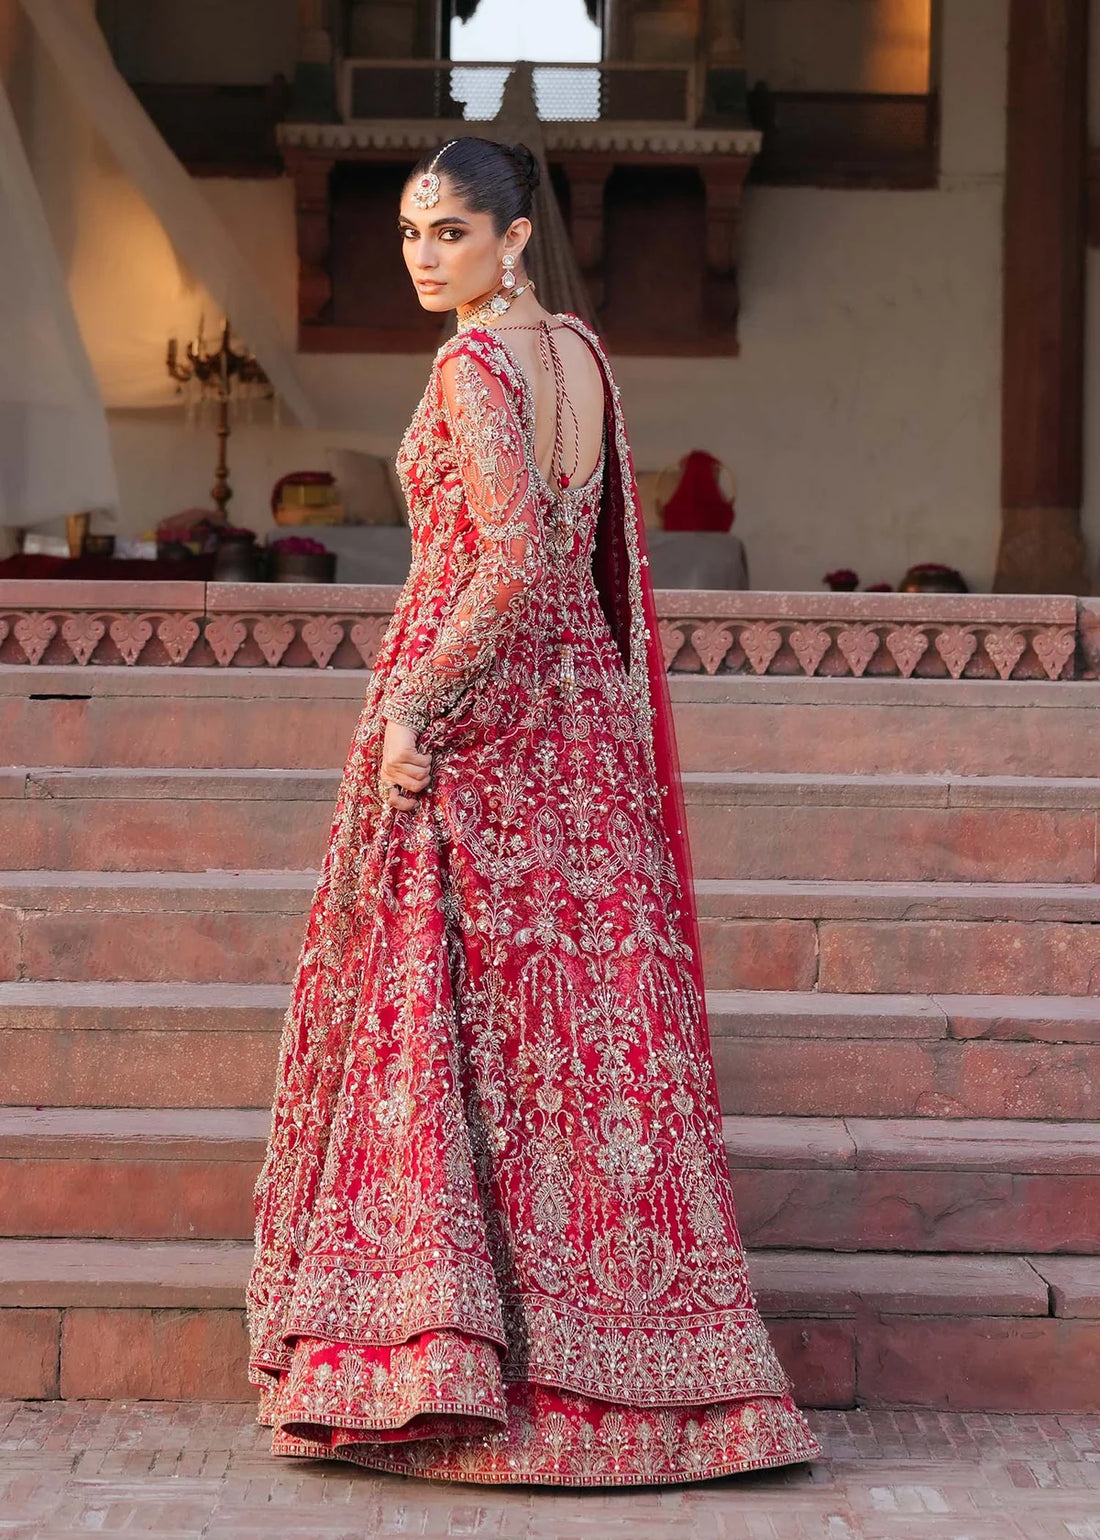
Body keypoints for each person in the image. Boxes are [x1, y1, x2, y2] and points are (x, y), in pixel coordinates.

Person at [247, 135, 820, 1486]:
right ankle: (651, 1370)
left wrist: (413, 712)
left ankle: (439, 1366)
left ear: (514, 239)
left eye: (449, 231)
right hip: (583, 739)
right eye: (407, 230)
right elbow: (587, 569)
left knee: (457, 1034)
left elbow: (504, 567)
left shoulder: (472, 367)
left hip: (487, 739)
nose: (421, 255)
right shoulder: (586, 357)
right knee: (579, 1046)